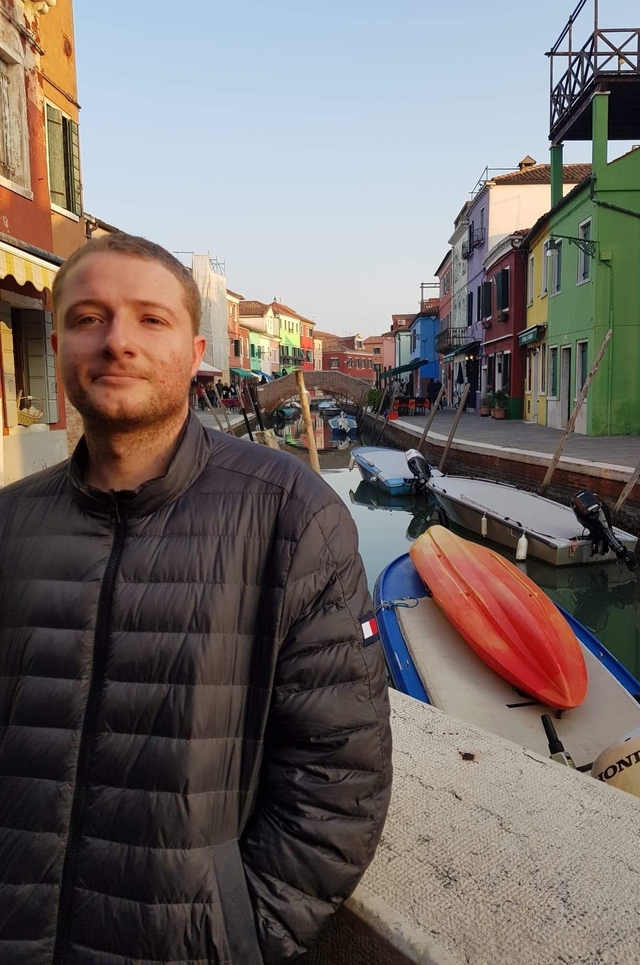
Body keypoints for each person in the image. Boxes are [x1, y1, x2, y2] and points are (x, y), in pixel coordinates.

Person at [0, 233, 392, 965]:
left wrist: (233, 935)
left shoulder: (292, 517)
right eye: (89, 318)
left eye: (150, 319)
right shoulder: (9, 523)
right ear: (60, 345)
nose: (118, 341)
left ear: (195, 350)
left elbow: (339, 779)